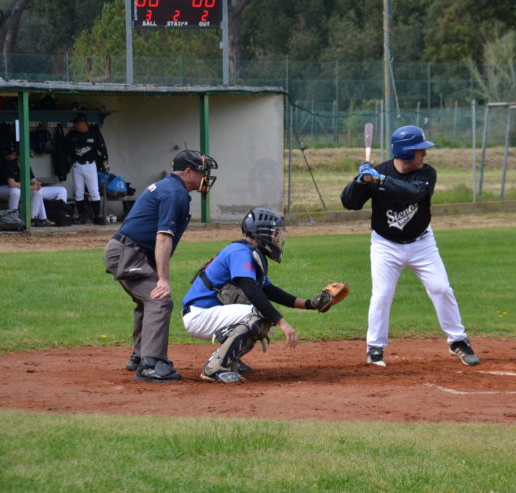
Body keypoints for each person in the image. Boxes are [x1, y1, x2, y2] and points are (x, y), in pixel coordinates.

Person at [340, 125, 480, 367]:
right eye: (419, 150)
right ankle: (375, 348)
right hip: (385, 245)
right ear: (404, 153)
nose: (424, 154)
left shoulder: (426, 174)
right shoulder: (377, 172)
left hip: (422, 243)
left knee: (441, 288)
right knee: (382, 295)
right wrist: (359, 181)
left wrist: (381, 180)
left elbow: (413, 193)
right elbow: (349, 203)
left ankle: (458, 341)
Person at [181, 207, 337, 384]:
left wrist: (309, 304)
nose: (277, 238)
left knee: (262, 317)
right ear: (261, 233)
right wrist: (281, 321)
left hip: (210, 312)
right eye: (274, 233)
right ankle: (216, 367)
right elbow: (250, 289)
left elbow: (269, 291)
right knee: (258, 316)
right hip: (200, 315)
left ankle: (228, 358)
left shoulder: (250, 254)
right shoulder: (239, 252)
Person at [103, 149, 218, 383]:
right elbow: (163, 237)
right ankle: (151, 364)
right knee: (159, 298)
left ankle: (140, 354)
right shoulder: (174, 193)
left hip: (131, 251)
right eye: (202, 171)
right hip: (128, 253)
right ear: (187, 172)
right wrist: (163, 279)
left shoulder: (169, 187)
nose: (205, 177)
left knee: (147, 301)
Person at [0, 144, 68, 227]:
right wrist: (31, 187)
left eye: (28, 157)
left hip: (20, 189)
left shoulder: (26, 166)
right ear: (17, 156)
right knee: (16, 191)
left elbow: (33, 180)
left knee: (37, 193)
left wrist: (37, 185)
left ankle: (31, 219)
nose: (26, 159)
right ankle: (13, 218)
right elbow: (11, 183)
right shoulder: (11, 164)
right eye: (24, 156)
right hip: (3, 189)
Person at [66, 112, 108, 225]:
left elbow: (103, 149)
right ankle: (82, 216)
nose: (75, 126)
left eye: (77, 123)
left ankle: (96, 216)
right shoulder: (72, 135)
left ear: (83, 123)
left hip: (90, 165)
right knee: (79, 192)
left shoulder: (94, 134)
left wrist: (105, 162)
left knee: (94, 191)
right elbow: (66, 149)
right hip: (77, 165)